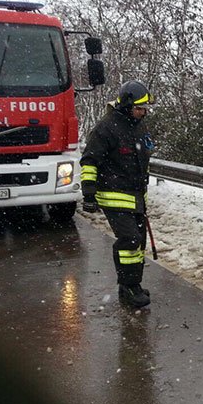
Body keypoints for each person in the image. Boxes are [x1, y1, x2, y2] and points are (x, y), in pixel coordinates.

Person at [80, 80, 155, 308]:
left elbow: (143, 161)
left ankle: (132, 285)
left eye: (145, 109)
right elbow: (89, 161)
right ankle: (129, 287)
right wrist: (89, 194)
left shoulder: (138, 125)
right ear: (126, 105)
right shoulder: (106, 128)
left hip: (136, 197)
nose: (143, 113)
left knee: (139, 243)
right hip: (113, 194)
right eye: (139, 108)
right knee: (129, 240)